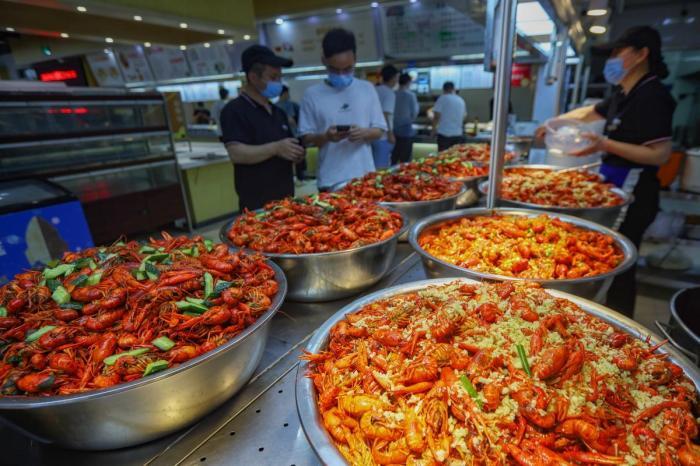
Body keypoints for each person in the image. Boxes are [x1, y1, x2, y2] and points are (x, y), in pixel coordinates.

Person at [535, 26, 675, 318]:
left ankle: (617, 323)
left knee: (619, 267)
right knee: (602, 258)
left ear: (641, 54)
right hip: (611, 186)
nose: (611, 59)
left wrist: (604, 144)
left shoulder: (652, 95)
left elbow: (660, 154)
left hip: (634, 193)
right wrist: (552, 123)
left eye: (617, 52)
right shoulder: (624, 92)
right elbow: (588, 113)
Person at [299, 28, 386, 190]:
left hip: (364, 177)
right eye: (334, 69)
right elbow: (306, 138)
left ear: (355, 59)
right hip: (329, 180)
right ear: (324, 60)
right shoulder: (312, 95)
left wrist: (364, 133)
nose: (341, 74)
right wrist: (326, 136)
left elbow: (379, 130)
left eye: (347, 69)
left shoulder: (367, 89)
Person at [220, 44, 304, 211]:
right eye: (273, 77)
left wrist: (296, 154)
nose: (278, 83)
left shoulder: (278, 112)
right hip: (256, 206)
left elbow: (287, 148)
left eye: (279, 77)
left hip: (286, 201)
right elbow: (236, 153)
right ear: (253, 77)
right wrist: (276, 148)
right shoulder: (234, 111)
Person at [371, 65, 399, 169]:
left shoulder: (374, 89)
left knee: (373, 166)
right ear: (393, 77)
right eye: (397, 77)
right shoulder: (389, 93)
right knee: (381, 168)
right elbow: (385, 114)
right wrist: (390, 134)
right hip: (383, 136)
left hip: (371, 133)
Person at [276, 85, 306, 181]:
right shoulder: (288, 104)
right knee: (298, 156)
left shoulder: (275, 106)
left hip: (281, 138)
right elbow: (291, 120)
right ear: (285, 93)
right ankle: (301, 177)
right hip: (294, 135)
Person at [392, 73, 419, 164]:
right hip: (406, 130)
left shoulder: (393, 94)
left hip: (393, 130)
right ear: (408, 82)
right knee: (405, 158)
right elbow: (414, 113)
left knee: (394, 156)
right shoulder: (411, 95)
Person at [432, 81, 467, 151]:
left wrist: (433, 130)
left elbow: (436, 116)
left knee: (443, 155)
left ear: (443, 89)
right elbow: (464, 116)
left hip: (444, 135)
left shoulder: (442, 98)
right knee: (455, 155)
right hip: (458, 134)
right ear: (454, 89)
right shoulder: (460, 100)